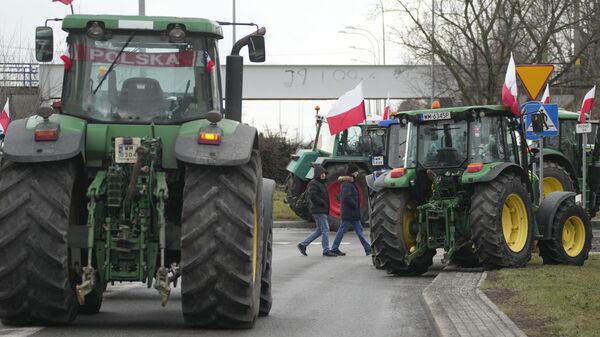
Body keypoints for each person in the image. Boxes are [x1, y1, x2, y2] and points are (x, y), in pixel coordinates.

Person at [330, 163, 372, 256]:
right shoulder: (347, 184)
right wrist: (355, 205)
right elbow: (346, 197)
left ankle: (368, 249)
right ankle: (334, 248)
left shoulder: (350, 183)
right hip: (349, 213)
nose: (357, 173)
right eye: (356, 171)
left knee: (359, 231)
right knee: (343, 231)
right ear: (352, 173)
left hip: (352, 213)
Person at [297, 165, 337, 257]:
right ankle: (326, 250)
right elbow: (313, 196)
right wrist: (322, 203)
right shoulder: (314, 183)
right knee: (326, 229)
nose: (323, 175)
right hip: (318, 210)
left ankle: (303, 245)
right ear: (317, 174)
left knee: (319, 230)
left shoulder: (321, 183)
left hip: (321, 209)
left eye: (324, 174)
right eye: (321, 174)